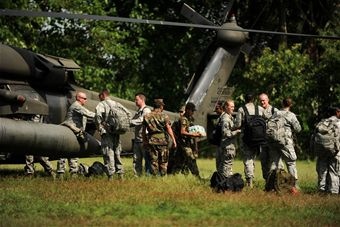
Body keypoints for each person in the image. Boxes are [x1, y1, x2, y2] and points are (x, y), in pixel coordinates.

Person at [57, 91, 95, 178]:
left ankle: (73, 174)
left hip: (75, 133)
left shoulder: (79, 107)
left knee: (74, 153)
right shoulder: (76, 106)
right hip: (69, 132)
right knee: (64, 153)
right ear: (78, 98)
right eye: (84, 98)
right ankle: (61, 174)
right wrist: (101, 115)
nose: (86, 100)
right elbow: (88, 114)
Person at [268, 98, 302, 189]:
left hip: (274, 141)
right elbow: (298, 129)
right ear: (291, 105)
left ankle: (272, 186)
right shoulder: (291, 115)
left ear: (282, 104)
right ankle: (293, 186)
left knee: (274, 163)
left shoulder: (276, 113)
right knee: (291, 162)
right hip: (286, 142)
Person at [95, 89, 126, 180]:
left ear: (103, 95)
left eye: (99, 96)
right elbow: (127, 114)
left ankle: (110, 176)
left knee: (108, 153)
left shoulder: (101, 104)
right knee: (117, 153)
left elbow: (97, 116)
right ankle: (121, 174)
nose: (99, 98)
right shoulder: (117, 104)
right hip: (116, 132)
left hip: (107, 133)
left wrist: (100, 128)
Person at [236, 93, 265, 187]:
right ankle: (252, 177)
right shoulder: (260, 109)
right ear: (253, 99)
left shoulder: (241, 109)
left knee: (248, 159)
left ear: (245, 99)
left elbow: (238, 125)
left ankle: (249, 182)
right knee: (252, 159)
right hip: (259, 139)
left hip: (246, 139)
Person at [142, 99, 176, 176]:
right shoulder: (164, 116)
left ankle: (154, 178)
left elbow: (143, 131)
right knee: (163, 162)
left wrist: (144, 141)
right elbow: (168, 128)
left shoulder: (147, 116)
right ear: (161, 106)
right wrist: (174, 140)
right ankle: (163, 178)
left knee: (154, 161)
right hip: (163, 141)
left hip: (152, 141)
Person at [315, 106, 340, 194]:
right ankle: (333, 191)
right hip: (335, 151)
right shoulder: (338, 123)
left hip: (322, 150)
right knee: (334, 171)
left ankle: (321, 189)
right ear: (337, 112)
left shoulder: (322, 122)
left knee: (322, 170)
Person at [258, 93, 282, 180]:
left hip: (272, 142)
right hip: (262, 141)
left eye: (263, 100)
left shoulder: (274, 110)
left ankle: (276, 182)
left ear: (268, 100)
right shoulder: (258, 111)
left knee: (274, 163)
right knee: (264, 162)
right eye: (260, 100)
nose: (262, 102)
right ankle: (267, 183)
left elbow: (280, 125)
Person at [177, 102, 202, 178]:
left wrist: (195, 146)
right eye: (192, 111)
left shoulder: (190, 119)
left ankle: (172, 175)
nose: (193, 112)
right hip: (183, 144)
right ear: (187, 110)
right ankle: (198, 177)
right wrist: (194, 134)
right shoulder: (184, 119)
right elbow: (182, 132)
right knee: (192, 160)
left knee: (180, 162)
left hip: (187, 144)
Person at [217, 99, 241, 177]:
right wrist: (236, 132)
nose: (233, 108)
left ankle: (221, 183)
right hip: (228, 146)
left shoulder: (228, 117)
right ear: (226, 107)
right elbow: (225, 133)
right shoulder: (226, 119)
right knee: (226, 167)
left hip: (228, 145)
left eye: (234, 107)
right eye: (231, 107)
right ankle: (225, 184)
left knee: (224, 167)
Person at [130, 92, 152, 177]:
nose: (135, 101)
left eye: (136, 99)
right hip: (137, 140)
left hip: (144, 140)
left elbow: (141, 120)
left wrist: (129, 122)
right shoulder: (138, 111)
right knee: (136, 160)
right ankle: (137, 176)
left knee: (147, 160)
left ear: (142, 100)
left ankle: (148, 177)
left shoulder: (146, 110)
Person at [213, 102, 225, 171]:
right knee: (218, 162)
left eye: (217, 109)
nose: (216, 111)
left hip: (223, 144)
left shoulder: (225, 118)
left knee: (223, 163)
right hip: (218, 144)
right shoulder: (219, 118)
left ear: (221, 108)